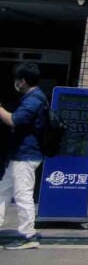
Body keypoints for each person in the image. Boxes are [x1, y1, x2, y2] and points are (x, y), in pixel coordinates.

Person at [0, 62, 48, 250]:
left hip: (26, 155)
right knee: (3, 191)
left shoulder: (34, 99)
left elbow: (14, 120)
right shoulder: (33, 97)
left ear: (23, 81)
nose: (16, 83)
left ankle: (28, 236)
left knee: (23, 195)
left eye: (17, 79)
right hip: (20, 154)